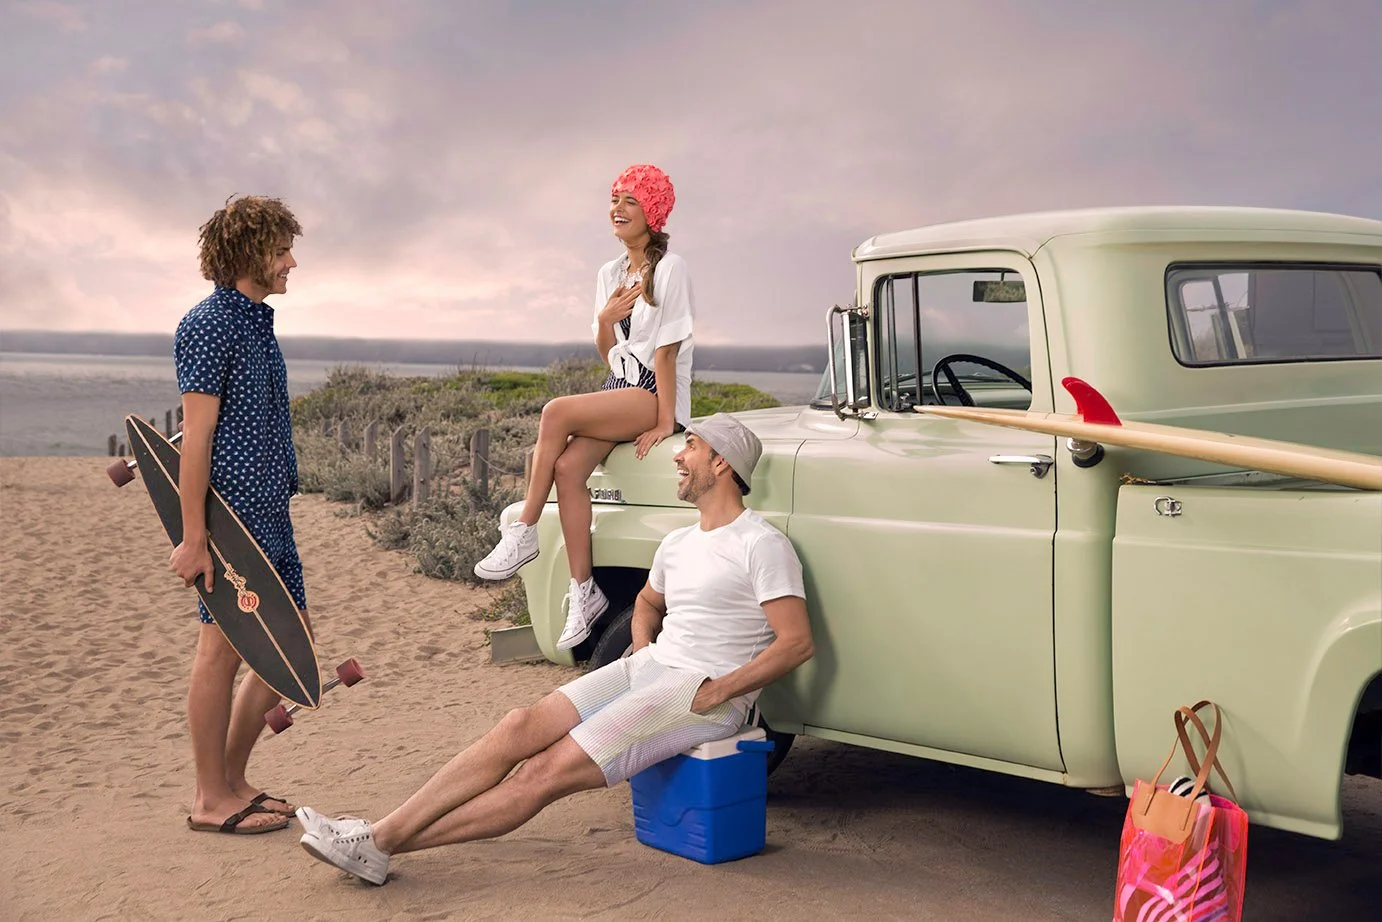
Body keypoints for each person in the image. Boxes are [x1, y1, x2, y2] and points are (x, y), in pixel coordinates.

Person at [296, 414, 814, 886]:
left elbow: (795, 644)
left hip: (702, 692)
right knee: (518, 725)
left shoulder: (760, 544)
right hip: (652, 668)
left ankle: (378, 842)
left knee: (543, 774)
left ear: (721, 463)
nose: (678, 456)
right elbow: (646, 603)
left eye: (692, 447)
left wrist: (719, 690)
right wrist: (639, 649)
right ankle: (378, 836)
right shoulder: (678, 542)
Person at [473, 164, 695, 653]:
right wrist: (604, 319)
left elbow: (669, 349)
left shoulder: (670, 268)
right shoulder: (609, 274)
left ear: (652, 212)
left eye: (630, 200)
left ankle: (524, 528)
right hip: (623, 384)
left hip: (655, 392)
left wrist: (664, 420)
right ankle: (584, 591)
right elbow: (607, 351)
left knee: (555, 412)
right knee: (570, 468)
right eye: (614, 198)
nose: (617, 208)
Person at [169, 195, 307, 835]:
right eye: (282, 250)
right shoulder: (208, 325)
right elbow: (193, 440)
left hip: (271, 514)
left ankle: (229, 779)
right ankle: (208, 799)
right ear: (252, 253)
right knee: (220, 650)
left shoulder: (255, 322)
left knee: (291, 644)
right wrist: (194, 539)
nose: (291, 262)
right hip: (233, 524)